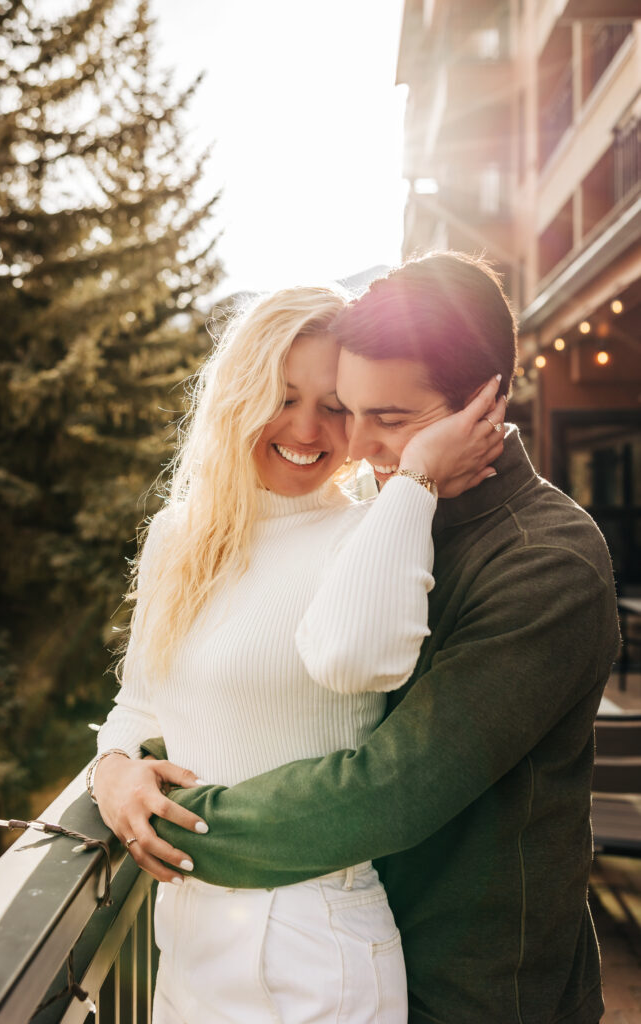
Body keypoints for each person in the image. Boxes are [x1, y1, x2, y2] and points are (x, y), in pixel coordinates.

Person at [142, 253, 619, 1024]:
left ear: (487, 401)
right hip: (362, 956)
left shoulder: (544, 562)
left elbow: (391, 789)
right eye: (350, 410)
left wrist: (176, 823)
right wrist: (123, 765)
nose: (357, 447)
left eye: (390, 420)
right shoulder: (387, 518)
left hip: (481, 986)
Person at [89, 280, 504, 1023]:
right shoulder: (179, 540)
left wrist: (414, 479)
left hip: (314, 940)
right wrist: (112, 772)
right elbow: (140, 704)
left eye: (336, 406)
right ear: (238, 397)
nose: (308, 429)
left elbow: (358, 660)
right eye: (282, 397)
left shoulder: (372, 530)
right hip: (186, 932)